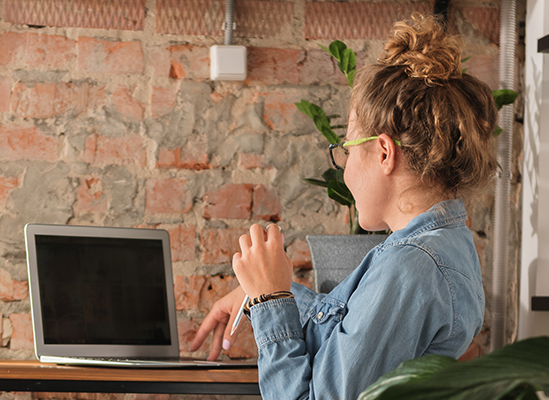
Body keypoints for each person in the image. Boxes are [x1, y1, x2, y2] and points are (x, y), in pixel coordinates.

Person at [189, 13, 493, 400]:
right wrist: (265, 293)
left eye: (346, 150)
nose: (345, 171)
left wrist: (271, 301)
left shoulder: (412, 266)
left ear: (384, 153)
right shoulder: (441, 246)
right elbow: (351, 329)